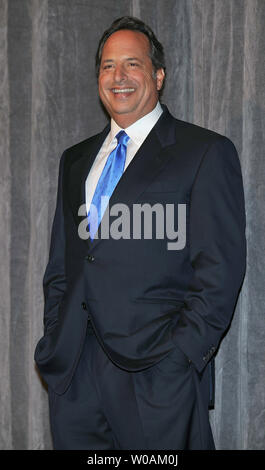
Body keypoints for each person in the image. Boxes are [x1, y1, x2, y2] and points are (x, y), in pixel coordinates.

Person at [34, 16, 246, 450]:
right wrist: (56, 333)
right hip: (74, 374)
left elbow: (220, 269)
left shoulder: (204, 152)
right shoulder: (74, 160)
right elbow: (63, 264)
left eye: (132, 64)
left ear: (158, 75)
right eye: (109, 66)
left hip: (157, 375)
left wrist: (181, 357)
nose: (119, 77)